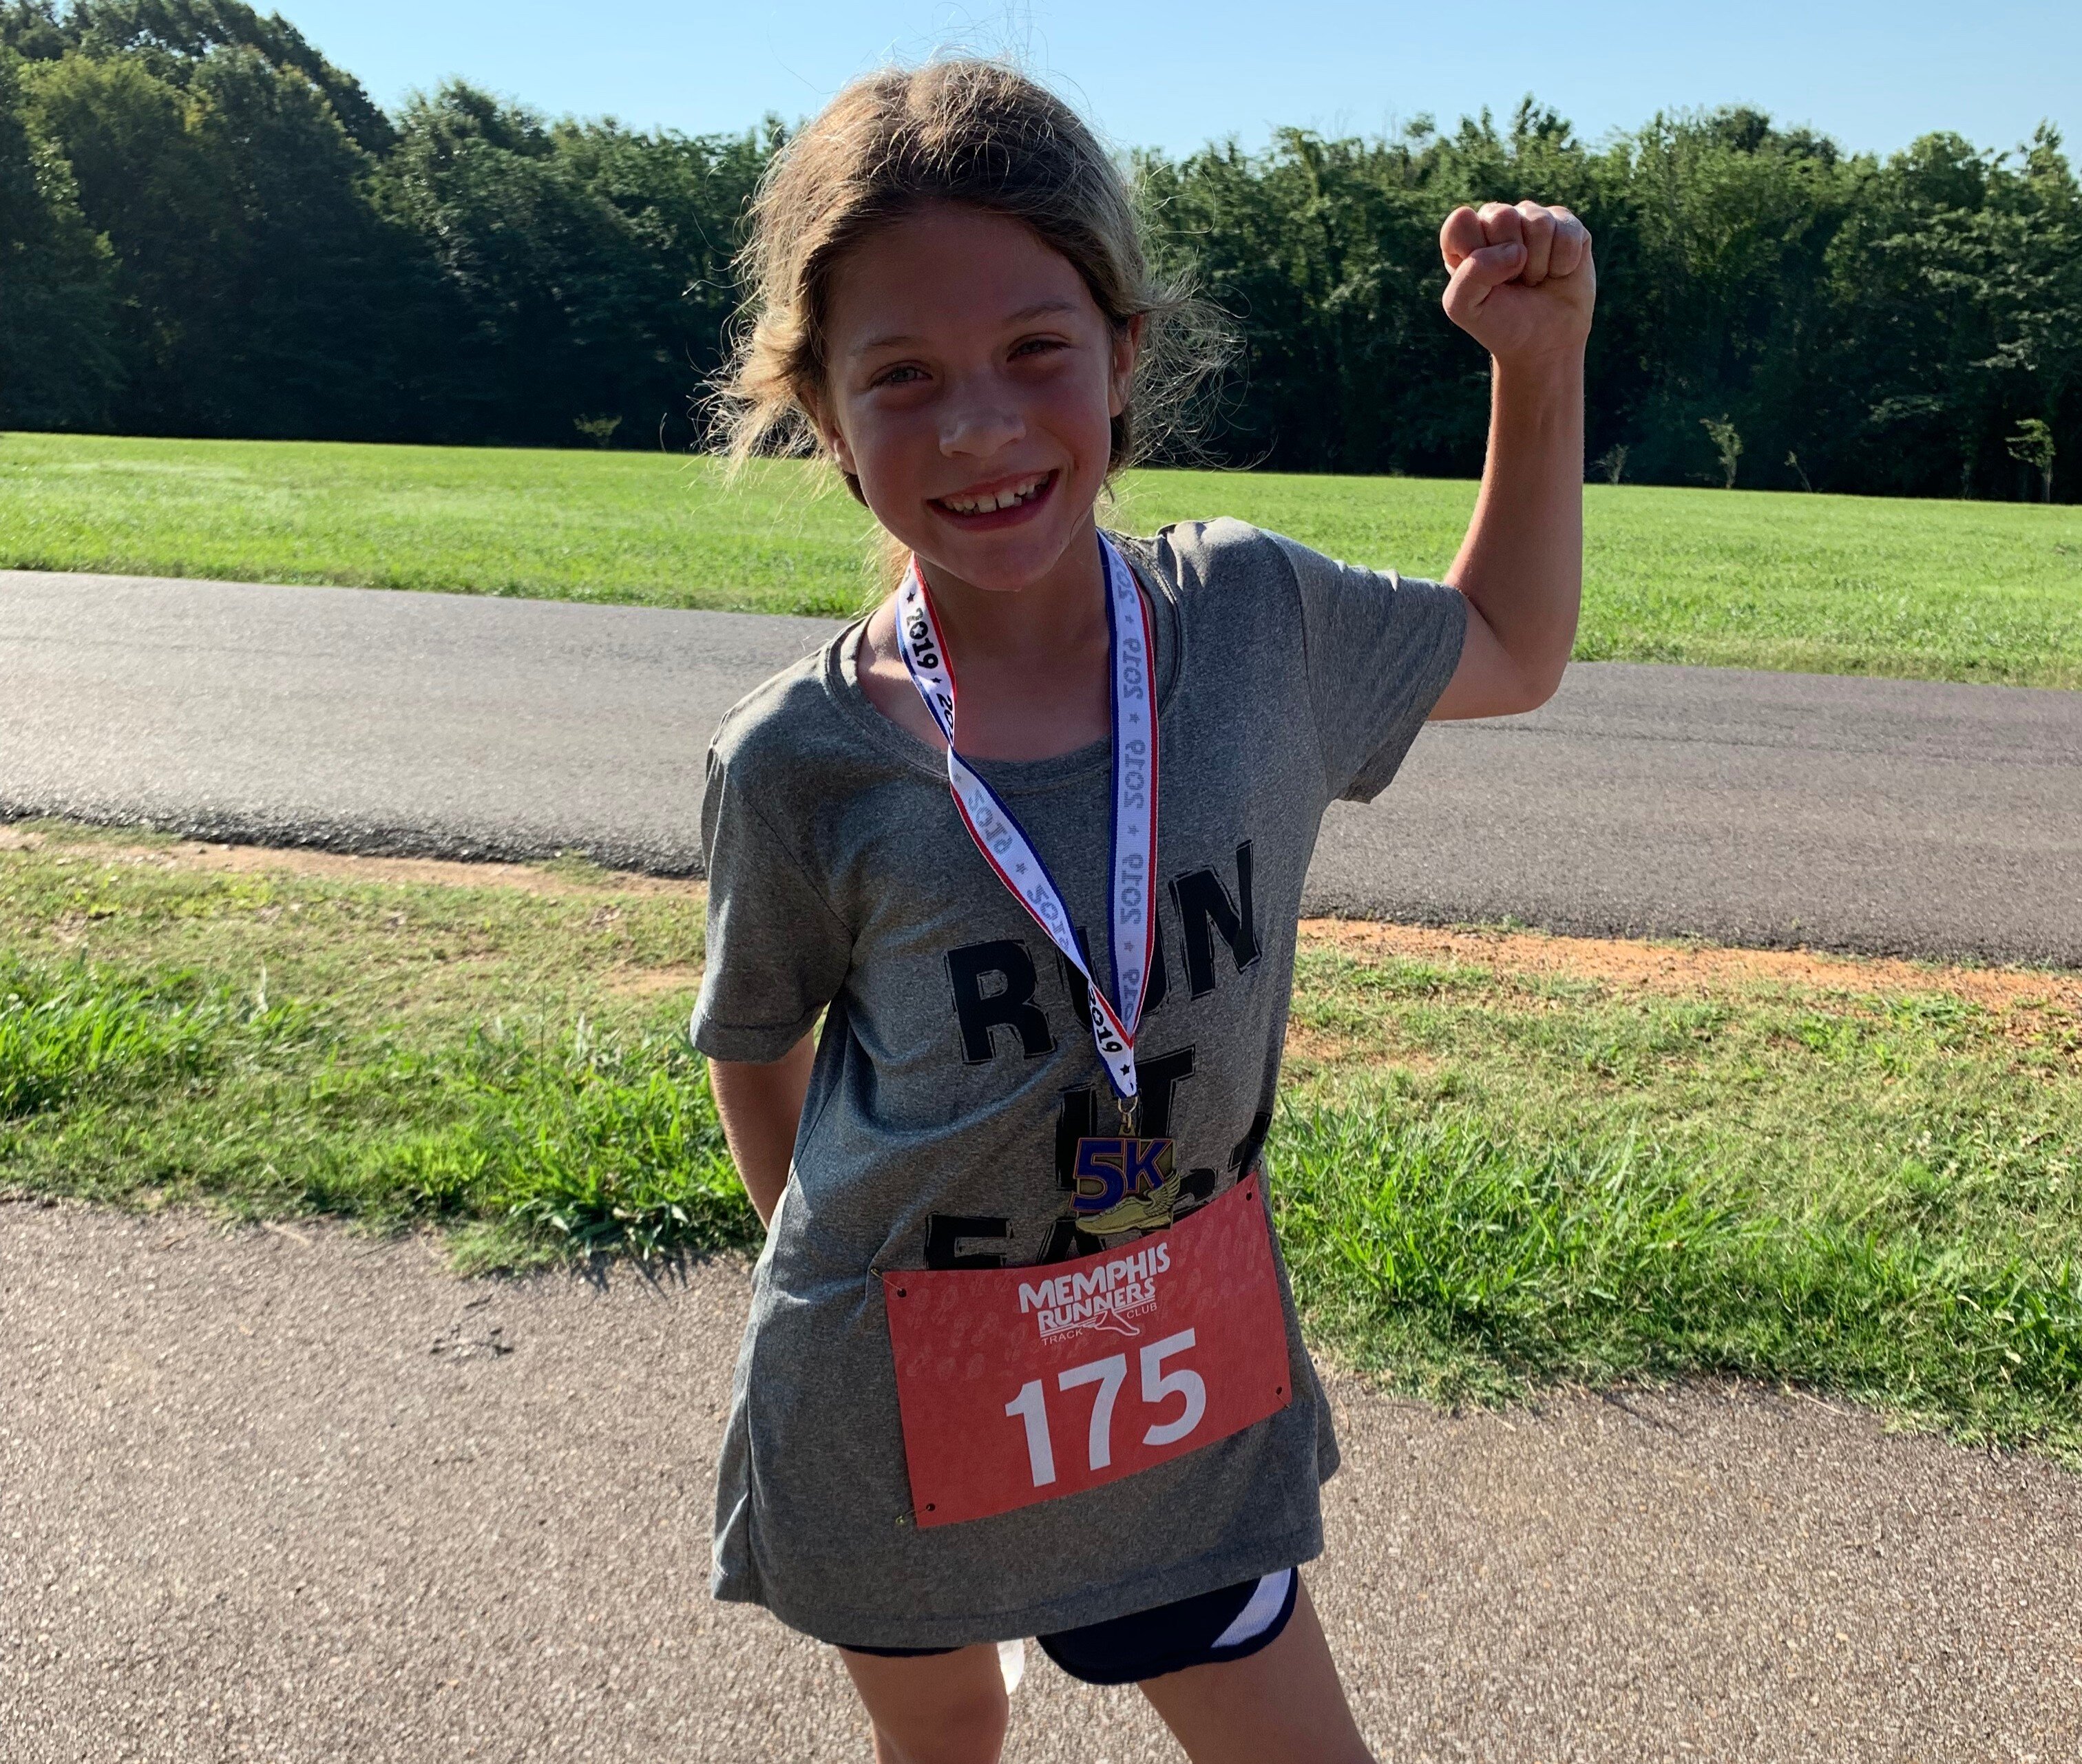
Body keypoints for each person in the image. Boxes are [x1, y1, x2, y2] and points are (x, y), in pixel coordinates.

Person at [693, 57, 1594, 1764]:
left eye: (1037, 348)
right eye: (903, 377)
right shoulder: (796, 759)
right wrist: (873, 1303)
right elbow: (759, 1047)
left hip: (1168, 1375)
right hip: (893, 1396)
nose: (979, 423)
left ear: (1124, 347)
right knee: (946, 1730)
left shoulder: (1253, 626)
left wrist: (1536, 371)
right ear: (822, 411)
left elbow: (1513, 650)